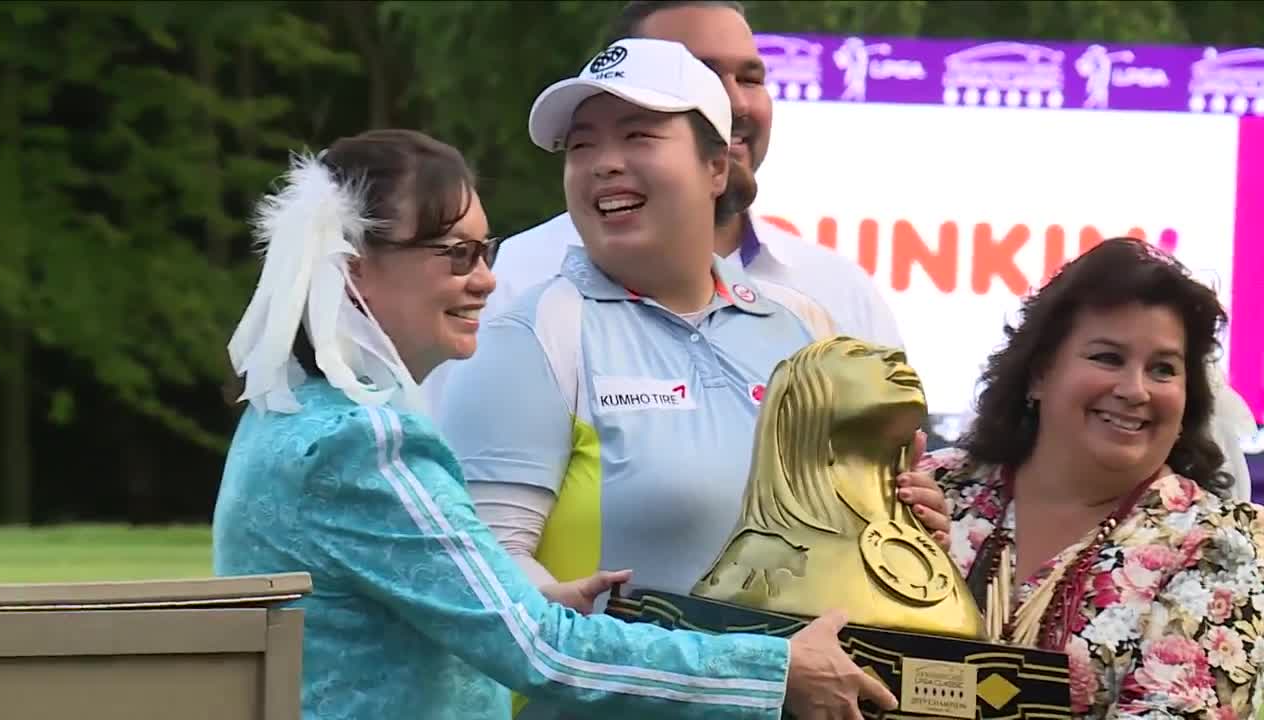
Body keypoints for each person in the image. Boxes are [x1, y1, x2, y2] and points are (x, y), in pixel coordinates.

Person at [211, 128, 901, 720]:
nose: (484, 278)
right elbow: (540, 649)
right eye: (456, 253)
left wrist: (527, 592)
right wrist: (773, 672)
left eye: (485, 249)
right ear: (355, 270)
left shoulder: (294, 413)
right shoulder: (362, 443)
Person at [436, 35, 951, 647]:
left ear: (715, 168)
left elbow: (839, 529)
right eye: (581, 145)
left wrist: (900, 521)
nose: (603, 162)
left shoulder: (806, 327)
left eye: (637, 136)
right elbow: (483, 575)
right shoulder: (531, 334)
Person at [420, 0, 904, 415]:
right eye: (701, 76)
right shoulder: (514, 284)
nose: (733, 102)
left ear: (716, 166)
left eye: (750, 77)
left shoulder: (834, 296)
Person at [904, 238, 1264, 719]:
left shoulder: (1224, 544)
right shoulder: (930, 492)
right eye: (1107, 358)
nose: (1134, 390)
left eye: (1162, 369)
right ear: (1039, 375)